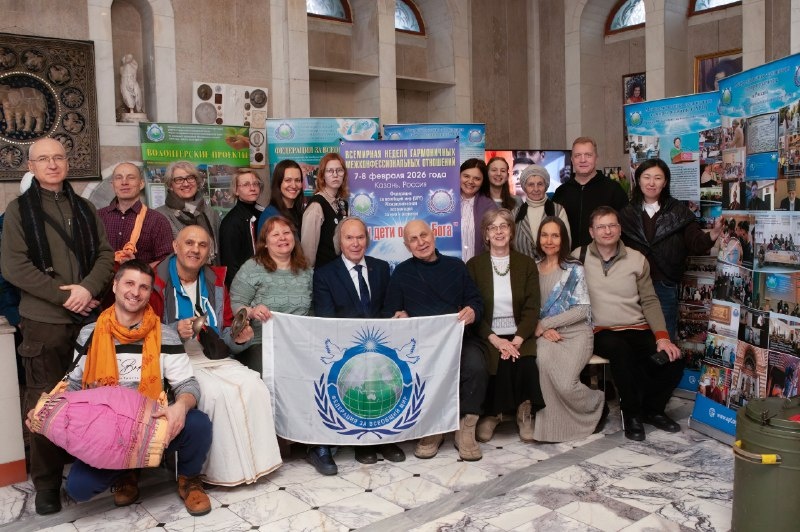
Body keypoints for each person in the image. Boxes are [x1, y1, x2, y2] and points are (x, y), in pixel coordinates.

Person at [1, 138, 114, 515]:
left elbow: (105, 255)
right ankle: (47, 485)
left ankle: (94, 467)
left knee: (93, 396)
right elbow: (14, 267)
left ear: (68, 163)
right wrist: (65, 296)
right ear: (31, 166)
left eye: (58, 158)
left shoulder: (85, 208)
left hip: (88, 320)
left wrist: (87, 288)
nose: (52, 164)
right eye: (43, 159)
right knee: (44, 403)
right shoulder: (18, 211)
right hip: (44, 323)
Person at [50, 260, 212, 516]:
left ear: (149, 293)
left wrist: (181, 406)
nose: (135, 292)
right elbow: (73, 383)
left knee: (198, 423)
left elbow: (187, 384)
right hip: (108, 431)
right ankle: (127, 472)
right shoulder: (89, 334)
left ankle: (189, 479)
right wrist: (47, 410)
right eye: (129, 283)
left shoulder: (165, 335)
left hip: (153, 424)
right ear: (115, 286)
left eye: (144, 287)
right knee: (79, 488)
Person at [150, 225, 282, 486]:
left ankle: (258, 465)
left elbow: (225, 332)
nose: (195, 250)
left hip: (213, 355)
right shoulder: (156, 281)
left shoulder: (216, 281)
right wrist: (173, 331)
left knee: (255, 385)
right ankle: (217, 472)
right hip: (175, 358)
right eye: (189, 243)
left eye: (202, 245)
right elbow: (144, 329)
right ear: (175, 246)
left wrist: (238, 338)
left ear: (209, 251)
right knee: (212, 393)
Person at [383, 220, 487, 461]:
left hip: (458, 340)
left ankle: (466, 428)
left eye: (424, 235)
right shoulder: (401, 273)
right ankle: (433, 428)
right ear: (407, 246)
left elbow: (476, 301)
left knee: (476, 365)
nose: (421, 242)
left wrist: (472, 311)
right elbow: (390, 312)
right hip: (420, 345)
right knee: (420, 369)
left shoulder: (456, 267)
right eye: (413, 239)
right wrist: (399, 316)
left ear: (434, 235)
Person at [229, 217, 324, 472]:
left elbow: (312, 311)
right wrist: (251, 311)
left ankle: (310, 441)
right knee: (269, 376)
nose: (282, 238)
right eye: (275, 234)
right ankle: (271, 443)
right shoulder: (252, 268)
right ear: (265, 242)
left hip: (296, 344)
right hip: (260, 342)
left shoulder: (305, 270)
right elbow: (236, 304)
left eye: (287, 232)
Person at [580, 206, 683, 442]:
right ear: (591, 232)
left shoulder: (637, 259)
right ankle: (632, 413)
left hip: (636, 327)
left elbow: (649, 300)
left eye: (612, 225)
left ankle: (652, 410)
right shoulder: (579, 257)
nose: (607, 231)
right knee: (621, 352)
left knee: (673, 359)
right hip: (601, 330)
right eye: (601, 227)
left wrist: (662, 337)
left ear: (620, 229)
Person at [313, 217, 406, 465]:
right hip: (347, 349)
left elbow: (388, 307)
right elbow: (326, 317)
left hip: (380, 346)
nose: (355, 243)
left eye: (360, 237)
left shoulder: (382, 268)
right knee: (359, 390)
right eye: (349, 238)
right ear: (339, 242)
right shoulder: (324, 274)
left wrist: (396, 317)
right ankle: (362, 442)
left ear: (367, 240)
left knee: (385, 389)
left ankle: (386, 439)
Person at [619, 159, 721, 341]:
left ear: (665, 182)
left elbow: (696, 243)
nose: (651, 183)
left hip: (664, 285)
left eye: (658, 178)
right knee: (634, 340)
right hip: (631, 286)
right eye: (646, 177)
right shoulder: (626, 213)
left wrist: (712, 234)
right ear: (638, 180)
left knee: (663, 339)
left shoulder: (679, 211)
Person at [465, 209, 544, 443]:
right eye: (493, 227)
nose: (498, 232)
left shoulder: (526, 264)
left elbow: (532, 308)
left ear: (511, 231)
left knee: (525, 360)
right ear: (486, 234)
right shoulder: (474, 265)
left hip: (520, 332)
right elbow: (473, 309)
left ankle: (524, 413)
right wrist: (496, 339)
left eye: (504, 226)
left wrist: (517, 340)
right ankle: (493, 414)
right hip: (488, 333)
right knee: (496, 359)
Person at [533, 216, 606, 442]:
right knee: (543, 363)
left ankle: (596, 402)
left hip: (575, 333)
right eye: (545, 235)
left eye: (555, 235)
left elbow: (582, 310)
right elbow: (529, 307)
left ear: (563, 239)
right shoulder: (532, 268)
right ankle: (551, 429)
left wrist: (545, 324)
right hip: (546, 334)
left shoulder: (574, 268)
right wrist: (542, 328)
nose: (549, 241)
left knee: (566, 384)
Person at [553, 137, 628, 249]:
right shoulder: (561, 192)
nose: (583, 160)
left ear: (596, 158)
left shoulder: (614, 189)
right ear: (572, 159)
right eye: (578, 155)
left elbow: (625, 229)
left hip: (604, 257)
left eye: (588, 155)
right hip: (568, 257)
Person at [98, 162, 173, 269]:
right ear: (112, 185)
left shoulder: (157, 220)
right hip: (102, 279)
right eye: (119, 178)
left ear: (141, 184)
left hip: (141, 279)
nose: (124, 182)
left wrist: (137, 268)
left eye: (131, 177)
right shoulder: (97, 217)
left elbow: (166, 262)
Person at [155, 161, 221, 264]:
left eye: (190, 178)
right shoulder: (159, 216)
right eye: (179, 180)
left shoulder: (211, 213)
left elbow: (219, 253)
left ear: (197, 182)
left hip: (211, 271)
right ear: (170, 185)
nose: (186, 184)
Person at [511, 164, 570, 260]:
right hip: (523, 269)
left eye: (540, 184)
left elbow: (566, 245)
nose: (536, 189)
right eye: (531, 185)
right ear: (524, 187)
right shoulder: (515, 214)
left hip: (552, 267)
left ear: (546, 186)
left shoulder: (558, 210)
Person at [301, 153, 349, 268]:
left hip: (339, 270)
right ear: (322, 175)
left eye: (339, 170)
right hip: (322, 272)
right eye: (330, 171)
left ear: (344, 174)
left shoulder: (343, 204)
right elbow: (308, 251)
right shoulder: (316, 206)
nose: (335, 175)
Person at [219, 168, 264, 286]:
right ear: (236, 190)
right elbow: (230, 265)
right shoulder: (231, 222)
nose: (252, 188)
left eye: (256, 183)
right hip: (246, 288)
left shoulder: (264, 213)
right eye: (246, 184)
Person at [459, 158, 498, 262]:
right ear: (458, 176)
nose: (470, 182)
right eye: (466, 176)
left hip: (478, 265)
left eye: (477, 178)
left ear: (483, 182)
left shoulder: (489, 206)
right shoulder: (447, 201)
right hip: (450, 266)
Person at [256, 159, 304, 236]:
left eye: (297, 180)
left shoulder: (300, 212)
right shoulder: (270, 215)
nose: (294, 185)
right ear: (278, 183)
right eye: (288, 180)